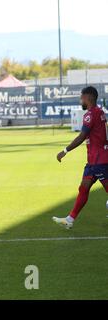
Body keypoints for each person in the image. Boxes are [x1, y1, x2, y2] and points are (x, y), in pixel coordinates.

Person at [53, 87, 108, 229]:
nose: (80, 100)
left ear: (88, 98)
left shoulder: (90, 115)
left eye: (81, 97)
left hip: (100, 161)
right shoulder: (100, 112)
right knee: (83, 189)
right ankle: (70, 219)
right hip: (94, 161)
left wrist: (65, 151)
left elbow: (82, 136)